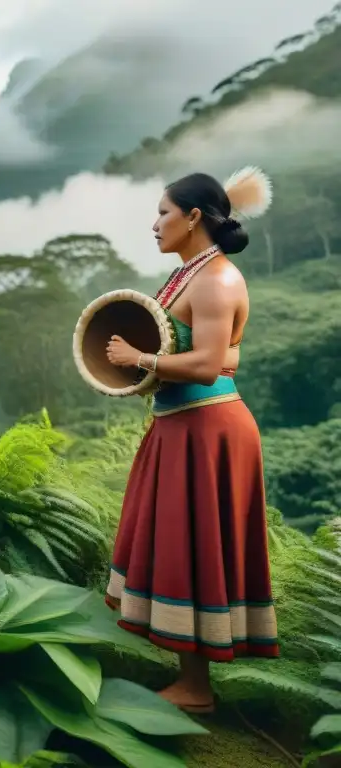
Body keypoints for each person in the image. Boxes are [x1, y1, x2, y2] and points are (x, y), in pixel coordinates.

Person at [103, 168, 278, 714]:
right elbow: (231, 354)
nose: (155, 224)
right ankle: (192, 680)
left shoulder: (216, 279)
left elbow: (206, 364)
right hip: (182, 426)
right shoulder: (190, 275)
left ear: (193, 217)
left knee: (195, 543)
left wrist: (140, 361)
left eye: (163, 213)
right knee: (184, 542)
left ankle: (197, 689)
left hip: (208, 430)